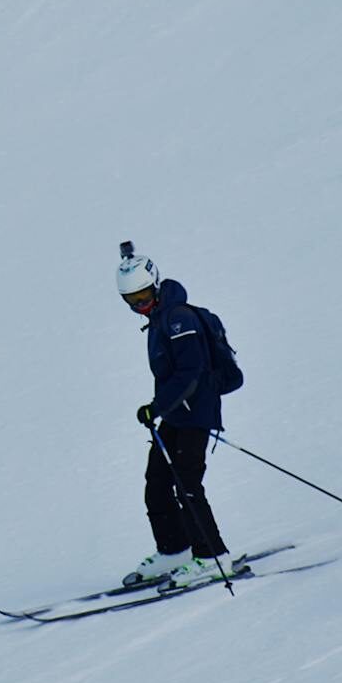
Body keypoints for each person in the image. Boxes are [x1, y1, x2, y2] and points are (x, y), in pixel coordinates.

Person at [116, 243, 238, 590]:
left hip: (195, 413)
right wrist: (161, 407)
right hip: (176, 413)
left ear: (154, 284)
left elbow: (190, 372)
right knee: (156, 482)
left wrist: (156, 406)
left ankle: (213, 557)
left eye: (142, 297)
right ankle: (174, 550)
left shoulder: (179, 318)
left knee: (187, 485)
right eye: (131, 301)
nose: (139, 306)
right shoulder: (160, 319)